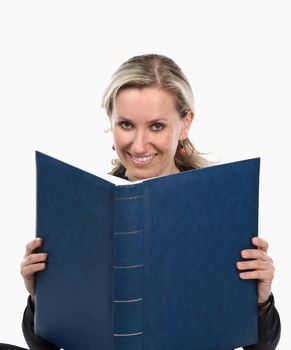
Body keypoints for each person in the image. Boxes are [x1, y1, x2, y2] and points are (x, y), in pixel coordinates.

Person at [1, 54, 280, 350]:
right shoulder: (84, 204)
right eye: (126, 125)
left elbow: (260, 347)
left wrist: (261, 300)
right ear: (111, 122)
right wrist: (40, 297)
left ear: (185, 124)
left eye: (157, 126)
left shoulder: (220, 205)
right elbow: (43, 346)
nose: (138, 144)